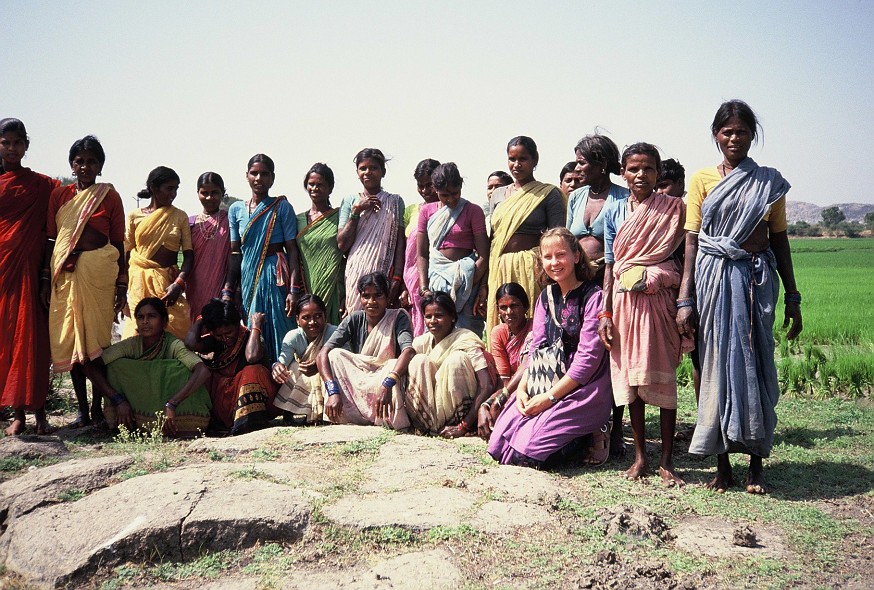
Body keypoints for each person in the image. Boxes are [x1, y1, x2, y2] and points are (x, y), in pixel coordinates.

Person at [677, 100, 801, 495]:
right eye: (727, 131)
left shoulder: (769, 182)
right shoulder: (700, 180)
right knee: (717, 365)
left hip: (755, 279)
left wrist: (794, 296)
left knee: (756, 364)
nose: (734, 138)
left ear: (752, 135)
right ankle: (723, 464)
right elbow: (692, 239)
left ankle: (757, 465)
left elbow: (779, 239)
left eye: (742, 131)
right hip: (714, 279)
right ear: (716, 135)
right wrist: (685, 298)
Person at [599, 143, 689, 486]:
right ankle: (641, 456)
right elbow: (610, 266)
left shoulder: (674, 210)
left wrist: (670, 287)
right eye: (634, 169)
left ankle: (667, 460)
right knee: (631, 383)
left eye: (648, 169)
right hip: (623, 304)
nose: (640, 175)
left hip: (660, 303)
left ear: (657, 172)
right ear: (623, 172)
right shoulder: (615, 212)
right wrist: (606, 312)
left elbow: (685, 257)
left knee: (662, 378)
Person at [488, 228, 612, 469]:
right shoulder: (545, 297)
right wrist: (522, 390)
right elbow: (537, 350)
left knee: (525, 456)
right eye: (548, 256)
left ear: (576, 256)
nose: (554, 262)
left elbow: (587, 361)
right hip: (542, 381)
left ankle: (592, 431)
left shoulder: (593, 296)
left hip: (582, 389)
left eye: (561, 255)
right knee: (498, 448)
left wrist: (549, 398)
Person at [41, 135, 126, 429]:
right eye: (80, 161)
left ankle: (98, 407)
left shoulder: (110, 196)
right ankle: (82, 411)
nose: (85, 166)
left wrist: (123, 283)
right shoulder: (60, 197)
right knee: (75, 343)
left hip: (99, 275)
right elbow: (53, 239)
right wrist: (44, 279)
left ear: (100, 166)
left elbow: (117, 241)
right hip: (66, 275)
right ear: (72, 165)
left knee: (98, 343)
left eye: (92, 161)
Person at [0, 118, 59, 435]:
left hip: (33, 270)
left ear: (26, 145)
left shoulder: (44, 185)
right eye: (5, 142)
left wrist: (48, 273)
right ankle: (17, 414)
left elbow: (56, 225)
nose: (11, 148)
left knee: (33, 341)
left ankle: (40, 415)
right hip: (2, 271)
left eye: (17, 142)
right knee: (7, 340)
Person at [89, 298, 211, 437]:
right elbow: (91, 366)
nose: (145, 322)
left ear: (164, 322)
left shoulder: (174, 345)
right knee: (116, 366)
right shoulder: (131, 345)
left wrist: (172, 404)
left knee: (183, 371)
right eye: (140, 317)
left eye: (151, 316)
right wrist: (117, 400)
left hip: (172, 411)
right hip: (129, 411)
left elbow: (203, 371)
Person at [482, 136, 565, 336]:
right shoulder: (498, 194)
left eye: (523, 159)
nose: (516, 165)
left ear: (535, 159)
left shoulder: (548, 194)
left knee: (533, 323)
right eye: (512, 159)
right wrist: (484, 282)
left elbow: (557, 236)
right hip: (500, 267)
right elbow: (493, 240)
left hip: (532, 268)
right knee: (503, 326)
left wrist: (550, 274)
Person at [224, 154, 301, 362]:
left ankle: (284, 378)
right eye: (254, 173)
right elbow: (234, 252)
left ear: (272, 178)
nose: (259, 178)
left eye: (264, 174)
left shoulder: (281, 207)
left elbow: (292, 250)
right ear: (247, 176)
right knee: (253, 326)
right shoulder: (235, 209)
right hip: (247, 275)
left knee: (279, 324)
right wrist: (229, 290)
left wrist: (294, 290)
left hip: (274, 274)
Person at [317, 273, 414, 429]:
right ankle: (348, 415)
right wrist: (332, 389)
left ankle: (386, 419)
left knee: (393, 364)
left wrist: (388, 383)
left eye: (378, 295)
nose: (371, 302)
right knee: (335, 355)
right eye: (366, 296)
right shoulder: (354, 319)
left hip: (385, 377)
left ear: (387, 296)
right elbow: (323, 353)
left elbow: (408, 351)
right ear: (360, 298)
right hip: (360, 378)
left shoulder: (397, 317)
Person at [406, 291, 495, 436]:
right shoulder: (421, 343)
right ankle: (425, 424)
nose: (433, 321)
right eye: (428, 317)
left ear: (452, 317)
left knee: (457, 359)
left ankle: (455, 423)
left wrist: (464, 425)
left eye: (439, 316)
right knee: (418, 361)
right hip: (430, 415)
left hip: (458, 418)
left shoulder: (466, 339)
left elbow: (486, 385)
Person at [417, 162, 489, 335]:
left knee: (466, 334)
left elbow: (484, 255)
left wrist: (466, 282)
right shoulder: (427, 212)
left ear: (461, 186)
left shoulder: (473, 211)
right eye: (444, 195)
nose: (451, 199)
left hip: (467, 281)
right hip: (437, 281)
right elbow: (422, 255)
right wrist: (424, 288)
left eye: (455, 193)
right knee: (437, 333)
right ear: (435, 189)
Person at [185, 299, 277, 435]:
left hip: (256, 398)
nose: (225, 338)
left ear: (237, 325)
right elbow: (190, 343)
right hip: (225, 399)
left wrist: (256, 326)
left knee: (252, 371)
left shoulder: (250, 337)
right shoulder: (217, 342)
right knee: (202, 372)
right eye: (218, 335)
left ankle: (250, 421)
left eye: (228, 333)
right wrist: (202, 319)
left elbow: (251, 356)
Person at [123, 166, 192, 340]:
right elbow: (126, 254)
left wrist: (179, 283)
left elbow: (189, 254)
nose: (174, 193)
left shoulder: (180, 216)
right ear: (153, 187)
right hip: (138, 283)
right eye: (169, 188)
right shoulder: (134, 216)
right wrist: (121, 288)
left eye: (176, 188)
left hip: (167, 286)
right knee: (137, 332)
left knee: (172, 331)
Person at [337, 148, 405, 312]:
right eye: (363, 168)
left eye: (373, 168)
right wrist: (356, 211)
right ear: (357, 172)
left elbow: (399, 243)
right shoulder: (350, 200)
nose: (368, 172)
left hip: (385, 272)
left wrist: (397, 277)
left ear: (383, 172)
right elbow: (342, 244)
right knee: (357, 320)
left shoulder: (394, 202)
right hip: (356, 271)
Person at [566, 134, 630, 281]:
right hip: (578, 275)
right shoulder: (575, 197)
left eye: (582, 163)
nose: (576, 168)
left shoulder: (624, 197)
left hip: (610, 275)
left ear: (602, 164)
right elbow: (568, 239)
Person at [272, 294, 340, 424]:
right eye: (306, 318)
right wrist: (276, 367)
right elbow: (283, 361)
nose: (312, 322)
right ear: (297, 320)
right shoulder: (293, 337)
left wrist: (320, 365)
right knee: (292, 367)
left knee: (331, 363)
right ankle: (289, 411)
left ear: (325, 315)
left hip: (328, 379)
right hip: (304, 376)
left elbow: (344, 359)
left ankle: (327, 412)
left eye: (318, 316)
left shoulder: (334, 333)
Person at [296, 163, 343, 325]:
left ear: (330, 188)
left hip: (334, 286)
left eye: (320, 184)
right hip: (306, 285)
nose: (315, 188)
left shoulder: (339, 217)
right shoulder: (298, 220)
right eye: (311, 184)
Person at [402, 158, 440, 336]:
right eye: (420, 185)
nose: (425, 191)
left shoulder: (447, 208)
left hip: (437, 275)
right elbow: (403, 249)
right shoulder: (411, 210)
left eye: (429, 185)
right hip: (412, 279)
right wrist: (402, 285)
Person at [187, 172, 230, 321]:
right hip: (195, 286)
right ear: (197, 193)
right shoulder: (190, 223)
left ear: (223, 193)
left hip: (222, 286)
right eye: (204, 193)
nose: (209, 198)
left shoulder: (230, 220)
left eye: (214, 193)